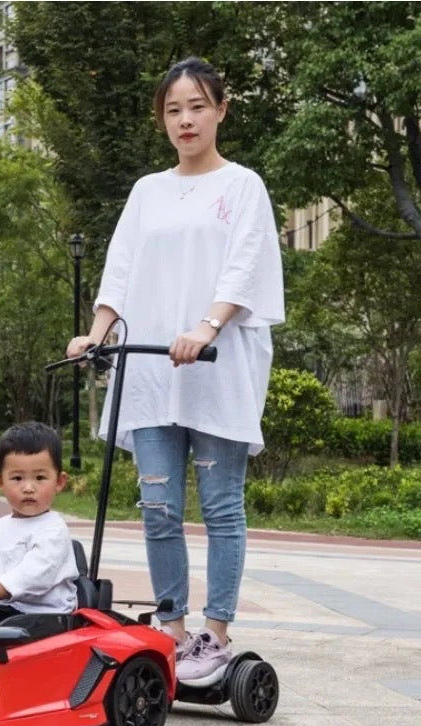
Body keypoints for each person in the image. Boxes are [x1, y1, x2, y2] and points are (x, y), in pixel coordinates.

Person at [66, 57, 284, 687]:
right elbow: (122, 269)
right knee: (158, 506)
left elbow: (244, 267)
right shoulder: (147, 191)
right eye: (172, 110)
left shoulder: (243, 185)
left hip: (215, 365)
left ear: (221, 109)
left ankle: (215, 633)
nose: (185, 120)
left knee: (220, 506)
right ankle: (172, 632)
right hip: (154, 371)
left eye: (196, 106)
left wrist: (207, 326)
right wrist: (98, 333)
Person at [0, 421, 79, 626]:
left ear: (59, 482)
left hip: (45, 618)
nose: (28, 488)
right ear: (0, 482)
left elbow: (36, 573)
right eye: (17, 478)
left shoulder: (53, 529)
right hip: (5, 611)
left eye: (40, 478)